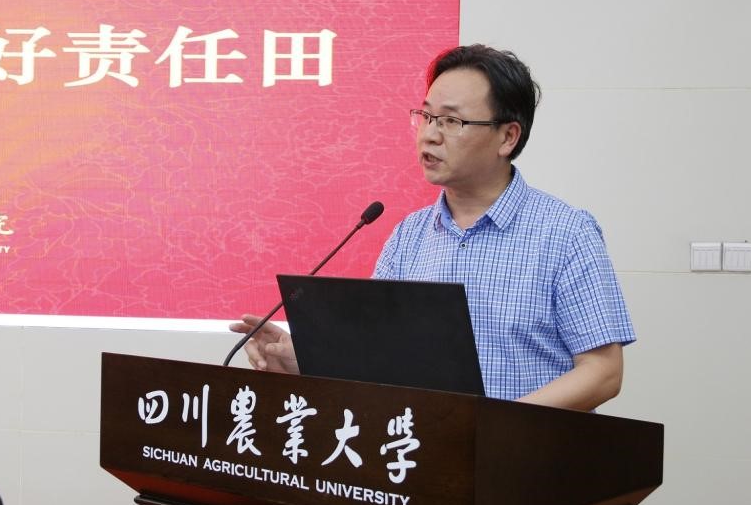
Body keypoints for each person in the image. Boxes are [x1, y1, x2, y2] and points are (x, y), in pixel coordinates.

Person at [230, 44, 634, 411]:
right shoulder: (409, 236)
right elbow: (378, 360)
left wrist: (497, 427)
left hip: (524, 458)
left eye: (451, 121)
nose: (430, 135)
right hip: (421, 456)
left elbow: (602, 372)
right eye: (425, 117)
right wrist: (304, 362)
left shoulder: (566, 233)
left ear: (508, 137)